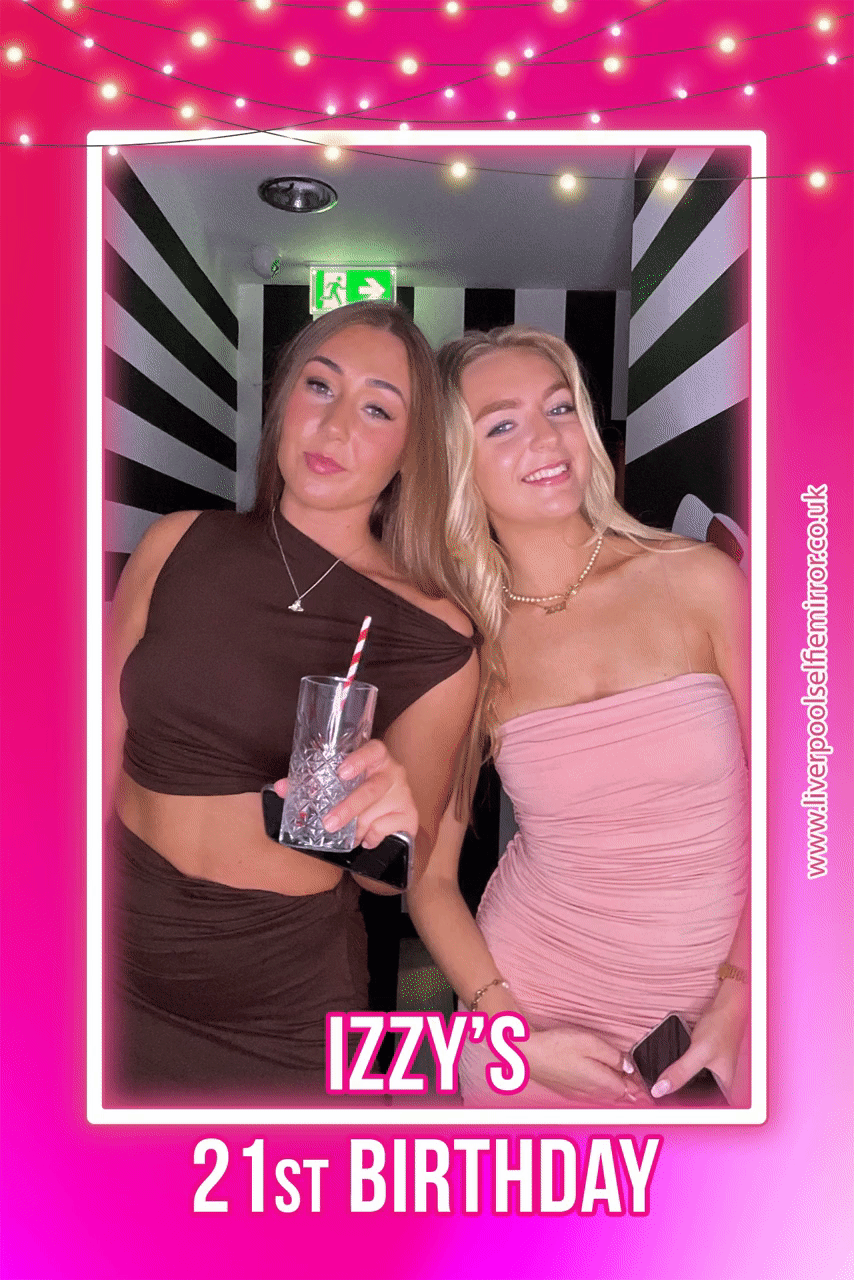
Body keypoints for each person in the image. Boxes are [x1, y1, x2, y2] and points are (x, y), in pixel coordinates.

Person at [105, 301, 479, 1103]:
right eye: (320, 386)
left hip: (279, 1008)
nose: (335, 425)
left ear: (411, 450)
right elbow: (92, 756)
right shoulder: (176, 542)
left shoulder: (434, 633)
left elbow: (390, 879)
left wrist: (386, 815)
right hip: (110, 959)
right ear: (283, 400)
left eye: (377, 409)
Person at [408, 326, 750, 1108]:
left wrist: (742, 987)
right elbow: (429, 879)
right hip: (537, 1012)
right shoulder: (467, 642)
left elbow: (804, 804)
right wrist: (511, 1035)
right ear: (454, 463)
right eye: (502, 424)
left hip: (721, 1005)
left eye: (559, 407)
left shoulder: (699, 582)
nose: (546, 437)